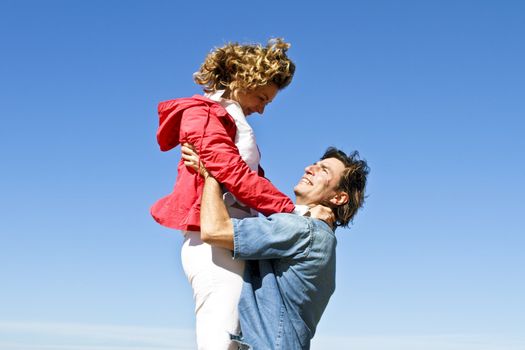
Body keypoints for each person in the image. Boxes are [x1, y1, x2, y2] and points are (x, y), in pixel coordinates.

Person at [150, 38, 297, 349]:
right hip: (213, 242)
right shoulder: (202, 114)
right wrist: (292, 212)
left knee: (237, 340)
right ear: (240, 78)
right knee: (221, 337)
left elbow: (252, 178)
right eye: (261, 97)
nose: (262, 108)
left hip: (238, 237)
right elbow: (232, 173)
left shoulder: (233, 119)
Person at [183, 145, 369, 349]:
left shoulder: (303, 230)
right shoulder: (317, 234)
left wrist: (211, 175)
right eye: (315, 164)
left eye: (324, 170)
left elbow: (214, 230)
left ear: (339, 198)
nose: (309, 168)